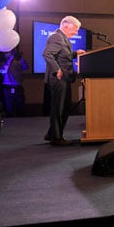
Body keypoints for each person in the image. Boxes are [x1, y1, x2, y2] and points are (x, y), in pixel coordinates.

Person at [42, 15, 86, 146]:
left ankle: (51, 133)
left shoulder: (62, 38)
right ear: (66, 25)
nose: (77, 32)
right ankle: (56, 137)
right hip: (58, 78)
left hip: (64, 79)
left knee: (64, 108)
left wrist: (75, 53)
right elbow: (47, 54)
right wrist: (57, 70)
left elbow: (62, 55)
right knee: (59, 108)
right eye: (76, 29)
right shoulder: (56, 37)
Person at [0, 49, 28, 117]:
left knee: (20, 107)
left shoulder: (18, 61)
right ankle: (10, 123)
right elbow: (3, 71)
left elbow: (26, 67)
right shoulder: (2, 63)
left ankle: (22, 123)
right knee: (9, 107)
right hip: (8, 88)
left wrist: (20, 58)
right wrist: (9, 60)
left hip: (18, 87)